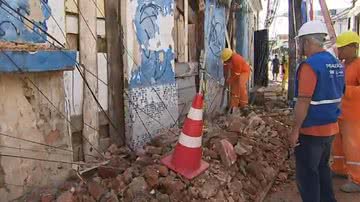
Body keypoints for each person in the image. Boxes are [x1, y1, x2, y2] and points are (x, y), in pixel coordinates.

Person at [288, 20, 345, 202]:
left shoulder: (310, 66)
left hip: (311, 130)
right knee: (322, 169)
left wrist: (295, 130)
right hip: (330, 128)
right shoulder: (335, 63)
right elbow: (340, 94)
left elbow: (303, 101)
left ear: (307, 42)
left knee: (307, 175)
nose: (302, 47)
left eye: (302, 43)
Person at [331, 31, 360, 193]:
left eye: (342, 48)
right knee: (338, 144)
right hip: (340, 113)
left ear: (353, 47)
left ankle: (357, 179)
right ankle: (339, 168)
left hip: (354, 115)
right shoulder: (343, 65)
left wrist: (344, 90)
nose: (339, 51)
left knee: (353, 147)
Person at [221, 48, 251, 113]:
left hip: (244, 71)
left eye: (227, 61)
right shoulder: (227, 60)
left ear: (230, 57)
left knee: (241, 85)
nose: (226, 62)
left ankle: (244, 105)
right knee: (234, 88)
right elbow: (225, 67)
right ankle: (234, 105)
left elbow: (237, 74)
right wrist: (225, 77)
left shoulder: (236, 59)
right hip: (235, 72)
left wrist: (230, 80)